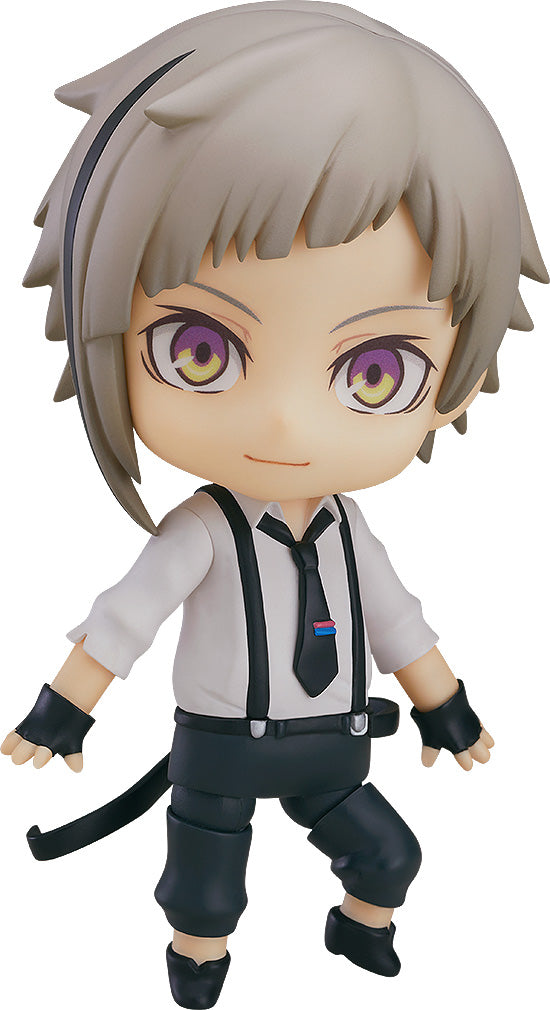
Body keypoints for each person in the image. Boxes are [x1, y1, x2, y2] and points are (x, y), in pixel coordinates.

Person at [2, 4, 546, 1008]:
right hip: (220, 750)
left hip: (332, 744)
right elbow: (127, 615)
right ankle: (196, 957)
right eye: (199, 351)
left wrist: (446, 704)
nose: (287, 419)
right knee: (205, 889)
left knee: (390, 853)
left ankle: (360, 924)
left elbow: (396, 619)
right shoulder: (202, 532)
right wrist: (65, 708)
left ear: (456, 378)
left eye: (375, 370)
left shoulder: (348, 530)